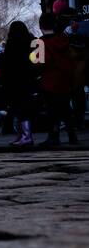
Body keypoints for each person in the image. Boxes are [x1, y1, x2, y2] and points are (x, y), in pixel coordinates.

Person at [36, 11, 79, 148]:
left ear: (40, 26)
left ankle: (53, 136)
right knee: (66, 109)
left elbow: (39, 63)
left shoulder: (39, 43)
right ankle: (72, 135)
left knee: (52, 111)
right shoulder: (64, 40)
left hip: (49, 82)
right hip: (65, 81)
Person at [0, 21, 37, 148]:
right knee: (24, 109)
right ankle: (24, 135)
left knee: (18, 109)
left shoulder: (12, 44)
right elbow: (37, 62)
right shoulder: (33, 42)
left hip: (15, 82)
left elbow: (8, 64)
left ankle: (24, 136)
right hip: (28, 80)